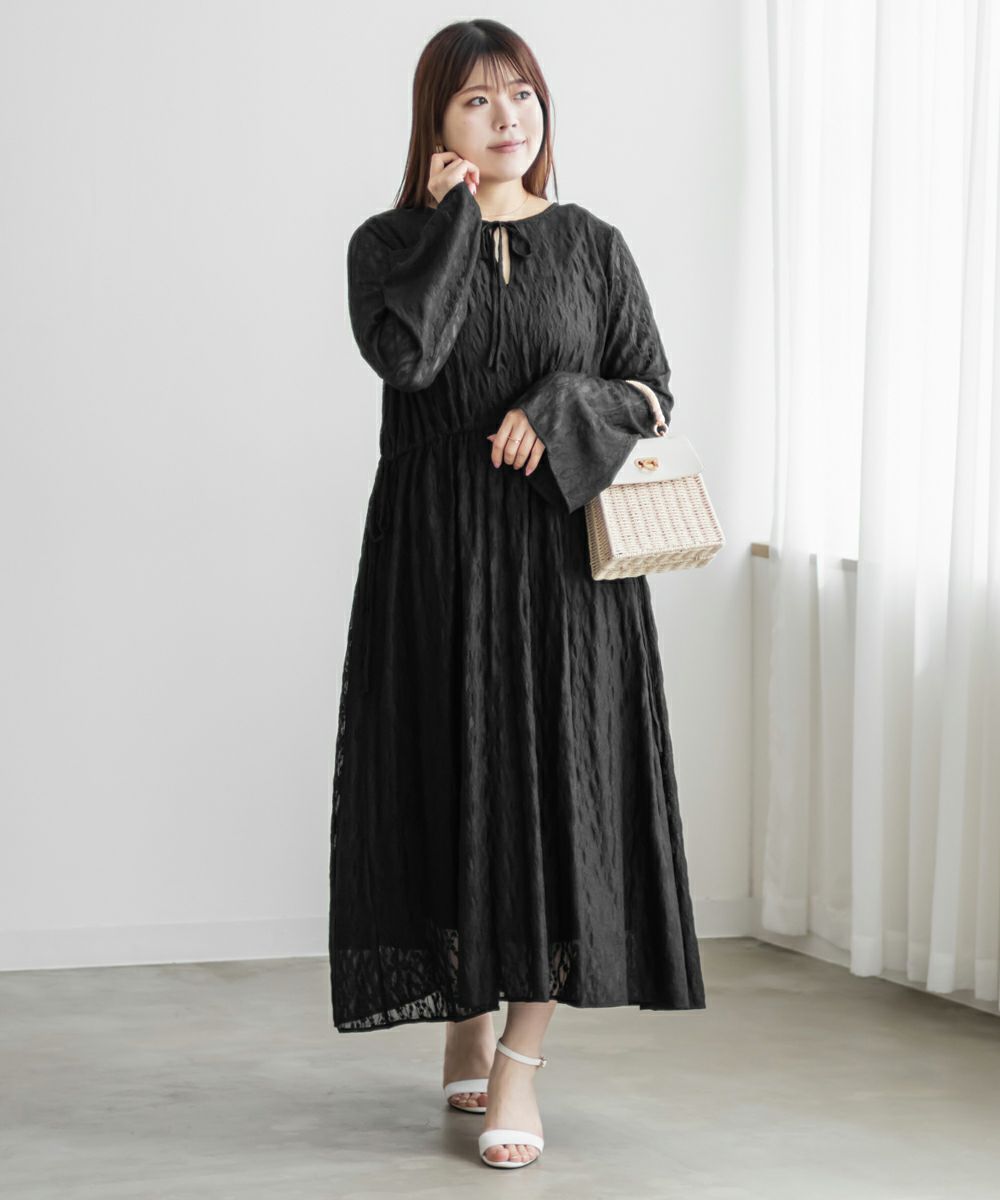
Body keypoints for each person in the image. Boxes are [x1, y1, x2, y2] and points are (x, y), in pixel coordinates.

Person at [329, 18, 706, 1169]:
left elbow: (652, 388)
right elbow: (408, 360)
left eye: (523, 95)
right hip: (431, 556)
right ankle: (463, 1008)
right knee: (443, 779)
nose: (507, 118)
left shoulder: (593, 244)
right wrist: (454, 221)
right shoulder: (388, 242)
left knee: (549, 797)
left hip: (558, 569)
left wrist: (559, 407)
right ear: (436, 122)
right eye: (478, 101)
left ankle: (518, 1066)